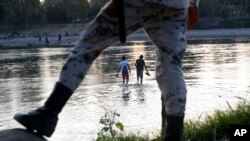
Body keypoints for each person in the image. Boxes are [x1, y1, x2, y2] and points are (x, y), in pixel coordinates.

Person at [14, 0, 199, 140]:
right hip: (176, 5)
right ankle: (173, 136)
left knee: (87, 47)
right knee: (171, 65)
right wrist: (193, 3)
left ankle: (49, 113)